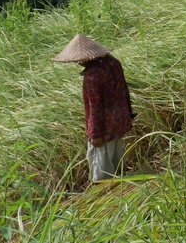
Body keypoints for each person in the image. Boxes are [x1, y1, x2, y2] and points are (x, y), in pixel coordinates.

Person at [54, 34, 135, 182]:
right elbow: (124, 89)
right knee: (118, 161)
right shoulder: (113, 62)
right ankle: (125, 186)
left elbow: (95, 109)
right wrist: (129, 113)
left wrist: (95, 135)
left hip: (105, 130)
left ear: (84, 58)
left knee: (102, 173)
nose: (77, 63)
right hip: (120, 121)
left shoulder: (92, 77)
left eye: (78, 60)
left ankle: (107, 197)